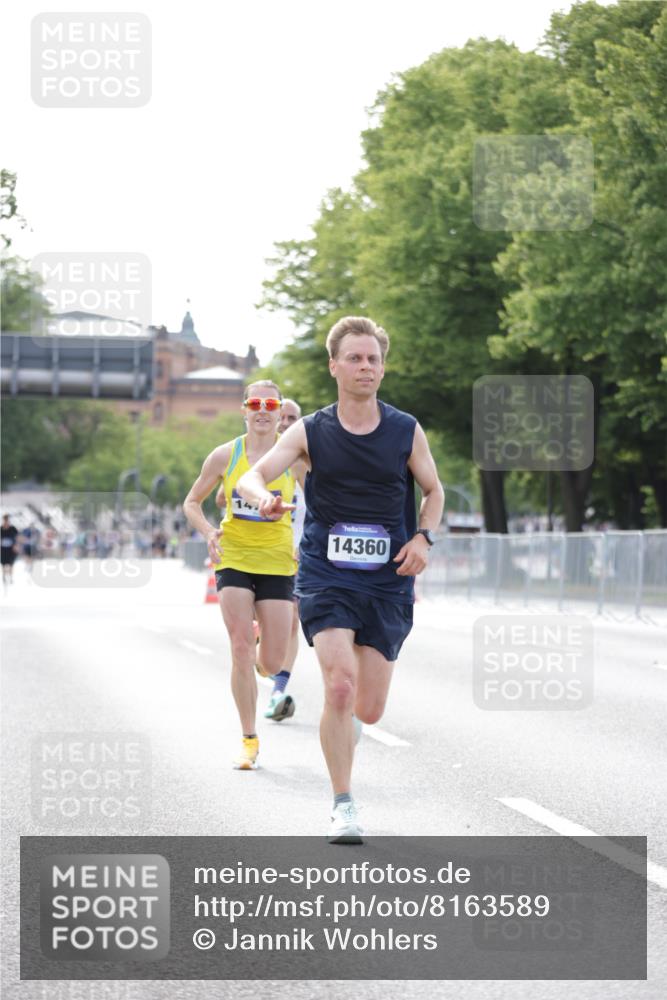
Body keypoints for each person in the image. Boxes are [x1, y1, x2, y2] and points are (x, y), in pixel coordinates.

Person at [238, 316, 444, 842]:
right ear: (334, 365)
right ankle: (343, 804)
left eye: (373, 358)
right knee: (339, 684)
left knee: (368, 708)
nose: (365, 366)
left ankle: (346, 721)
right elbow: (253, 473)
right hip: (327, 574)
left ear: (382, 366)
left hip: (387, 578)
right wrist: (262, 498)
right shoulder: (310, 429)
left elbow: (434, 492)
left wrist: (423, 538)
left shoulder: (405, 429)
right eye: (354, 357)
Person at [184, 380, 306, 770]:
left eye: (271, 404)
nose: (263, 410)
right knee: (238, 647)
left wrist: (310, 542)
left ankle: (259, 654)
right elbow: (191, 501)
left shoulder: (296, 458)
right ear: (244, 409)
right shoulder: (225, 455)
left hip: (276, 560)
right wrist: (208, 532)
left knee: (269, 662)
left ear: (278, 411)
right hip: (234, 555)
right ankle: (249, 739)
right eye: (255, 403)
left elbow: (321, 502)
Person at [1, 514, 19, 587]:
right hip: (2, 549)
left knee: (11, 564)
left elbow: (17, 538)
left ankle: (11, 577)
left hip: (11, 549)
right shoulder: (1, 528)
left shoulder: (13, 529)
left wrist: (16, 546)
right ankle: (4, 576)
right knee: (3, 564)